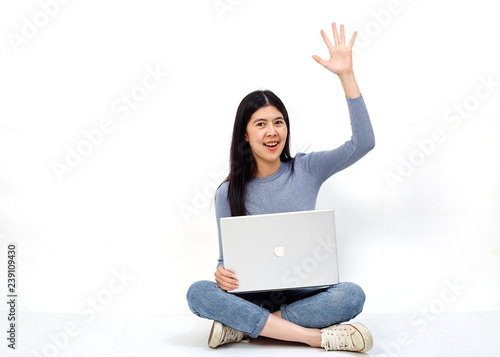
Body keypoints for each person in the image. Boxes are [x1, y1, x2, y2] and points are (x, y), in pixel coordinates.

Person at [186, 22, 375, 352]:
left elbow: (363, 143)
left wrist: (346, 75)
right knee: (197, 292)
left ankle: (243, 328)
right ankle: (314, 337)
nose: (272, 131)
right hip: (253, 294)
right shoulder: (226, 193)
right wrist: (221, 275)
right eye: (260, 124)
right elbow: (223, 261)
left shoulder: (307, 168)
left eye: (278, 122)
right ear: (245, 134)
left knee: (352, 295)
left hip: (306, 292)